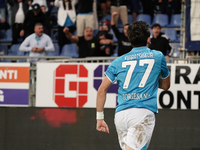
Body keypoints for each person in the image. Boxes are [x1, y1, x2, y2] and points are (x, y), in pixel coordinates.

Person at [96, 21, 170, 150]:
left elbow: (102, 90)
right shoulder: (158, 56)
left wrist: (100, 118)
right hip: (142, 113)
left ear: (129, 39)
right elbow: (166, 86)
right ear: (148, 39)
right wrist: (150, 80)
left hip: (120, 116)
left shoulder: (118, 61)